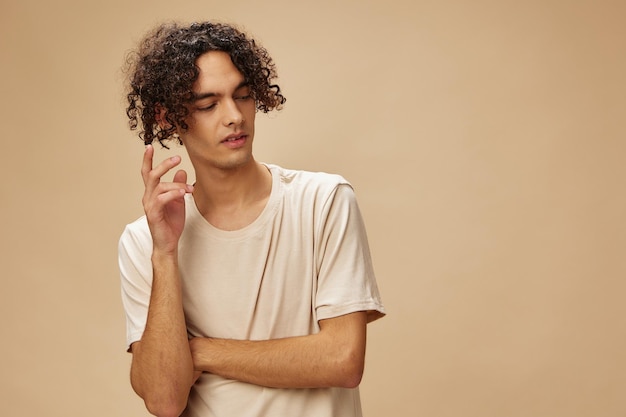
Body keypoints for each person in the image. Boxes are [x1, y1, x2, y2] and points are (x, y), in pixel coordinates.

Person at [118, 21, 385, 417]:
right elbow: (164, 398)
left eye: (242, 96)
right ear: (167, 117)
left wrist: (202, 351)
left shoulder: (324, 201)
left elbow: (342, 360)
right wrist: (165, 253)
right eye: (208, 104)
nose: (234, 117)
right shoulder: (144, 243)